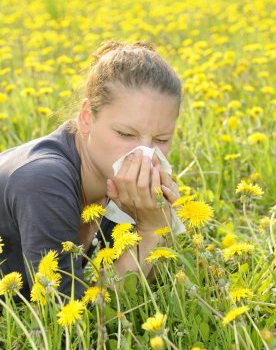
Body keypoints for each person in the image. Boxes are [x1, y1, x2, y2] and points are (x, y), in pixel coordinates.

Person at [0, 41, 183, 300]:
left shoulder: (111, 179)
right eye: (125, 133)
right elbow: (67, 319)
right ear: (86, 117)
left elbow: (135, 287)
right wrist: (152, 232)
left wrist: (158, 224)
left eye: (161, 139)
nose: (144, 154)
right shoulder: (44, 181)